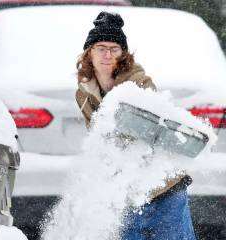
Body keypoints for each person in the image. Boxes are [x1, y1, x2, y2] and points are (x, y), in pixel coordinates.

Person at [75, 11, 196, 240]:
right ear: (89, 53)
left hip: (164, 188)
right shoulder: (83, 94)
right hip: (126, 193)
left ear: (123, 54)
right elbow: (99, 142)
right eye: (101, 48)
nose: (108, 54)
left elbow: (151, 132)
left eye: (114, 49)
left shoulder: (139, 83)